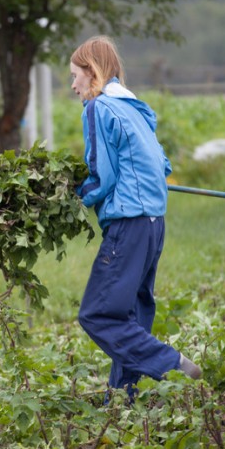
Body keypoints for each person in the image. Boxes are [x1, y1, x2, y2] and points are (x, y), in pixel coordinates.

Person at [70, 35, 202, 401]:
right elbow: (162, 165)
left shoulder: (98, 108)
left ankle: (169, 362)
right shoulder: (133, 106)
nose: (74, 85)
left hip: (127, 224)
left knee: (98, 314)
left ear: (91, 72)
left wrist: (73, 198)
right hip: (153, 225)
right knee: (129, 315)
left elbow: (101, 175)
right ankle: (123, 397)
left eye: (76, 75)